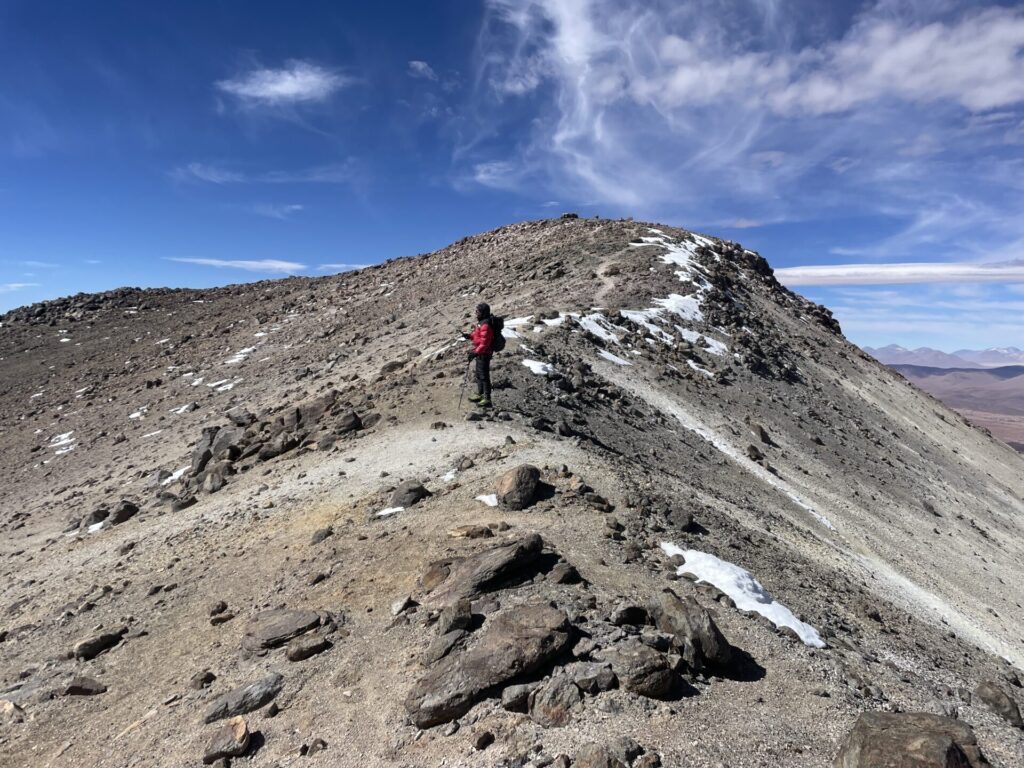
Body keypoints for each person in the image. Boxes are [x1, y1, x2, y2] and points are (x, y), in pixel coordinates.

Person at [464, 303, 495, 407]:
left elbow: (484, 343)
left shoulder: (486, 324)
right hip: (480, 353)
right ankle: (480, 394)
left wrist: (475, 352)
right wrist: (469, 336)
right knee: (479, 374)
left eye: (478, 311)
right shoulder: (482, 323)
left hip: (484, 353)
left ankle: (487, 398)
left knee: (484, 376)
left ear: (483, 312)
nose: (476, 313)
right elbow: (478, 336)